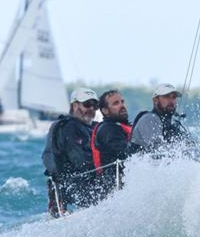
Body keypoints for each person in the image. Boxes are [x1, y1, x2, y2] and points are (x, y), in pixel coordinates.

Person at [42, 87, 99, 217]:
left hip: (73, 188)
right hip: (73, 187)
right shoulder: (70, 127)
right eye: (87, 104)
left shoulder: (90, 127)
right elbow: (80, 161)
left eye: (95, 105)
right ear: (74, 105)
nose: (91, 109)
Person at [130, 83, 194, 156]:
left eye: (174, 97)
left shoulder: (172, 124)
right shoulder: (149, 119)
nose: (171, 100)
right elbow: (158, 149)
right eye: (166, 96)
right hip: (140, 165)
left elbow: (189, 146)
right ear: (155, 100)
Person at [90, 90, 133, 197]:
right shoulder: (107, 129)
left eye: (122, 101)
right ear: (105, 110)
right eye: (116, 103)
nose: (122, 105)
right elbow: (126, 152)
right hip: (113, 190)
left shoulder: (121, 126)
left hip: (127, 183)